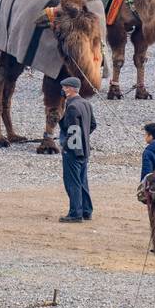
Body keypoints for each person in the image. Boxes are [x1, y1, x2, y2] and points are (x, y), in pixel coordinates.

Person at [57, 77, 96, 223]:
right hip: (85, 150)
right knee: (82, 181)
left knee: (72, 182)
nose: (63, 90)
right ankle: (86, 211)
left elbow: (73, 131)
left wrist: (67, 146)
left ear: (71, 89)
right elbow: (92, 125)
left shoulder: (72, 107)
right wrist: (84, 137)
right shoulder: (86, 104)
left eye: (65, 87)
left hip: (74, 151)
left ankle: (75, 213)